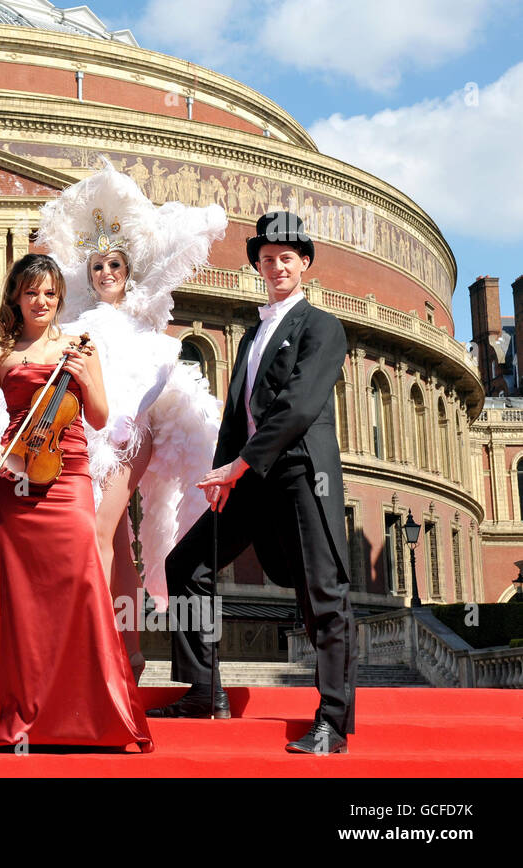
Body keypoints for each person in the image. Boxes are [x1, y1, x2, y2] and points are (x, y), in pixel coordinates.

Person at [147, 211, 357, 756]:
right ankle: (204, 692)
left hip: (298, 474)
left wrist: (241, 464)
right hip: (245, 476)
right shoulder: (254, 334)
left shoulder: (321, 326)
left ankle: (332, 723)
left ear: (304, 264)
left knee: (322, 595)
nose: (277, 265)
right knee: (184, 565)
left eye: (287, 257)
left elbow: (298, 406)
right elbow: (237, 415)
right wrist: (223, 472)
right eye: (267, 258)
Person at [0, 254, 153, 752]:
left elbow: (102, 418)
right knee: (17, 599)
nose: (40, 302)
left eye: (49, 293)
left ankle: (89, 714)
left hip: (70, 478)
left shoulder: (79, 349)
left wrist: (85, 378)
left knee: (83, 585)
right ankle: (14, 716)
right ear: (15, 297)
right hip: (16, 479)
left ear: (60, 297)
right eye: (30, 293)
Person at [38, 159, 226, 681]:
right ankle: (130, 650)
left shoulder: (144, 321)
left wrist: (129, 419)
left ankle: (90, 641)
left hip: (128, 435)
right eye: (97, 267)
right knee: (117, 539)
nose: (104, 275)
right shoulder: (74, 323)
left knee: (97, 529)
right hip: (85, 436)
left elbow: (161, 369)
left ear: (128, 273)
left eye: (114, 267)